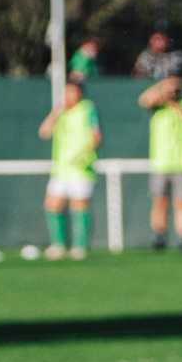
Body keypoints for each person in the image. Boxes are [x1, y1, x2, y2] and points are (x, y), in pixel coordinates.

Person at [38, 76, 101, 259]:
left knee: (79, 206)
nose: (68, 95)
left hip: (81, 168)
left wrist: (85, 154)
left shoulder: (87, 108)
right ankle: (58, 245)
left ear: (79, 93)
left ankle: (80, 247)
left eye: (71, 91)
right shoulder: (61, 112)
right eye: (66, 91)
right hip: (61, 169)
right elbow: (44, 132)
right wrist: (56, 112)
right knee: (52, 204)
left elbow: (96, 136)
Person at [139, 75, 182, 249]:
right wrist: (161, 87)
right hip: (160, 163)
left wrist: (170, 98)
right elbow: (143, 100)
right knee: (159, 201)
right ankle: (159, 236)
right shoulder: (157, 106)